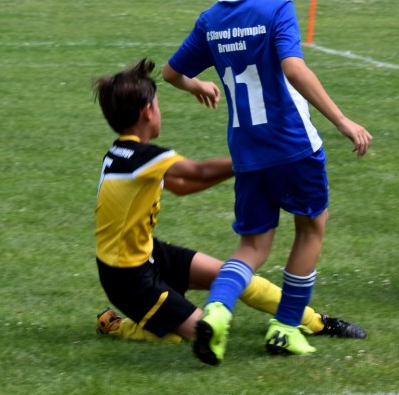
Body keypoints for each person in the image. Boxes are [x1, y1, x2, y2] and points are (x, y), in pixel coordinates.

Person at [161, 0, 372, 364]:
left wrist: (197, 85)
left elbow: (171, 72)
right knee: (311, 227)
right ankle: (285, 327)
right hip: (293, 145)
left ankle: (217, 311)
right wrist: (341, 120)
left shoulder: (211, 20)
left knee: (252, 247)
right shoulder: (277, 9)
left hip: (247, 152)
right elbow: (294, 68)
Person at [92, 59, 366, 349]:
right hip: (127, 278)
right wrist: (252, 161)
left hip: (148, 254)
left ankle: (316, 321)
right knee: (202, 333)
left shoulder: (122, 154)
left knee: (236, 276)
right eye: (158, 106)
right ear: (148, 112)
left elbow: (182, 187)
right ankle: (117, 326)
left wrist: (246, 168)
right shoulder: (142, 157)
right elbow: (197, 172)